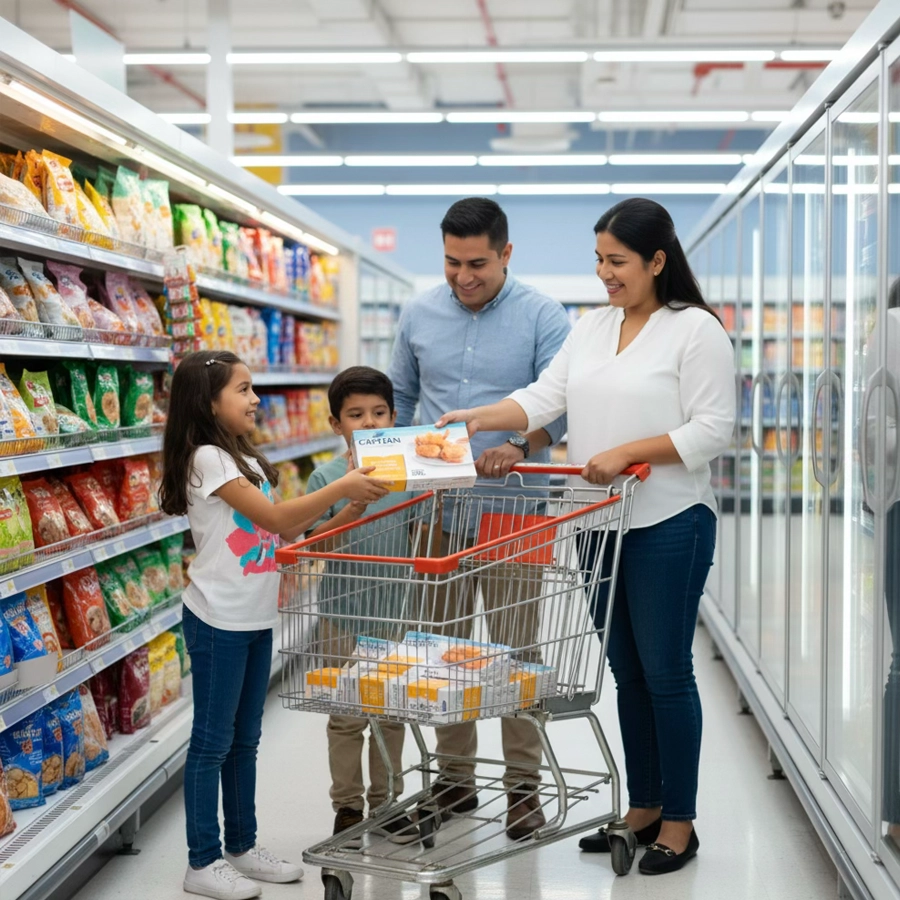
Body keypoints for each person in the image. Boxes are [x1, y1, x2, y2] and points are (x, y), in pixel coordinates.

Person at [436, 197, 735, 875]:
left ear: (658, 261)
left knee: (665, 673)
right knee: (626, 674)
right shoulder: (595, 328)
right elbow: (547, 396)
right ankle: (643, 808)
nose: (605, 273)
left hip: (669, 522)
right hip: (598, 523)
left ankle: (680, 822)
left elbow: (712, 430)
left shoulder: (696, 331)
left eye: (618, 261)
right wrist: (482, 417)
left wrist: (628, 450)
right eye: (598, 259)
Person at [160, 350, 388, 900]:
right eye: (243, 389)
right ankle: (201, 861)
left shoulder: (248, 462)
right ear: (208, 401)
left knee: (245, 741)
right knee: (212, 744)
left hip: (257, 615)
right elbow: (281, 518)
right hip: (217, 618)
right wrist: (343, 486)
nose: (256, 399)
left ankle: (240, 846)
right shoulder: (206, 459)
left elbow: (296, 541)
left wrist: (351, 510)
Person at [388, 197, 571, 840]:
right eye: (451, 262)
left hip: (513, 509)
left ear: (506, 254)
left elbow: (565, 405)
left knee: (517, 649)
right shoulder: (417, 312)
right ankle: (454, 781)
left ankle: (523, 787)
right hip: (436, 510)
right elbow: (401, 397)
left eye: (478, 264)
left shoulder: (543, 316)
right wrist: (398, 454)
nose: (464, 276)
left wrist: (520, 444)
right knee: (443, 651)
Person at [305, 366, 419, 847]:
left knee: (392, 713)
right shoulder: (327, 477)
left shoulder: (409, 476)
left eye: (378, 413)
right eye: (355, 414)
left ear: (394, 418)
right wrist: (349, 503)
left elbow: (419, 538)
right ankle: (348, 807)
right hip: (341, 614)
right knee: (347, 715)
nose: (369, 423)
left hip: (394, 614)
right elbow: (314, 545)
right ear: (337, 424)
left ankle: (388, 803)